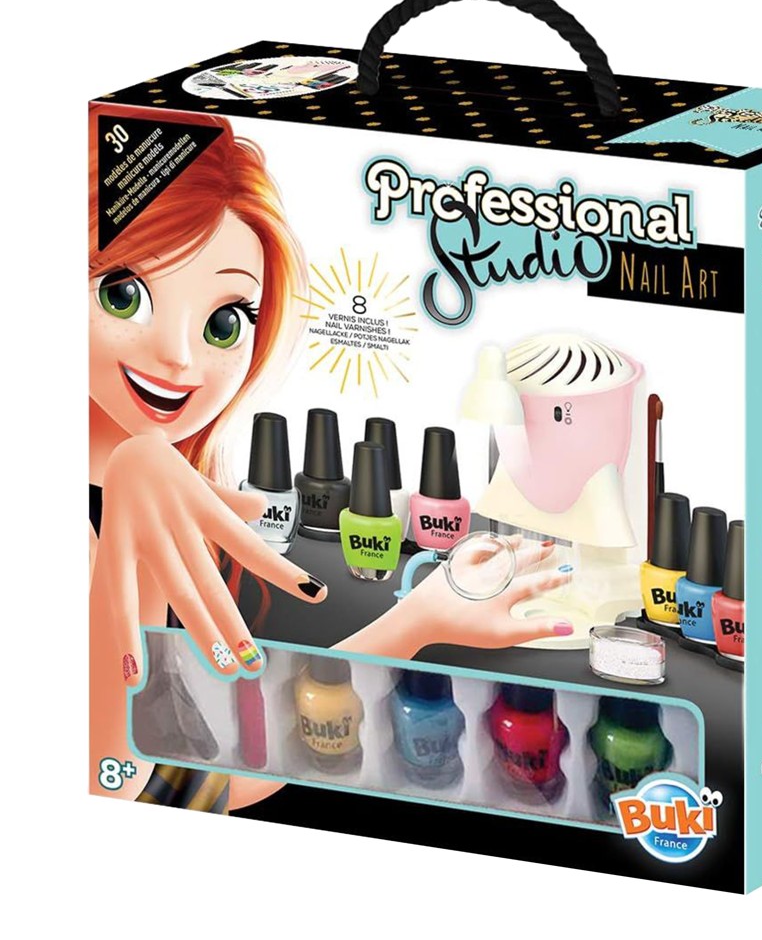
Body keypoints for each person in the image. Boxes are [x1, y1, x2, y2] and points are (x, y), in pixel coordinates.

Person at [89, 106, 571, 809]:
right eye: (122, 293)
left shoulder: (163, 492)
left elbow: (202, 779)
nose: (180, 357)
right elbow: (109, 784)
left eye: (225, 322)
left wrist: (422, 620)